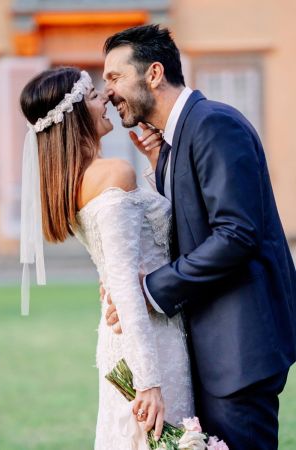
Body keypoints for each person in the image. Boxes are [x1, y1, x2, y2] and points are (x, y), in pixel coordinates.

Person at [102, 24, 296, 450]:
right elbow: (192, 227)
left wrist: (150, 289)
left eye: (114, 77)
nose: (108, 92)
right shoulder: (174, 142)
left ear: (153, 73)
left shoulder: (214, 124)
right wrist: (159, 167)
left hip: (239, 353)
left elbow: (237, 234)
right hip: (213, 351)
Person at [19, 67, 194, 449]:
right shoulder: (113, 172)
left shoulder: (77, 183)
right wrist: (148, 382)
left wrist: (154, 163)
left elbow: (139, 237)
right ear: (76, 113)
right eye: (95, 96)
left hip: (129, 339)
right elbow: (126, 290)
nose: (107, 101)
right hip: (150, 343)